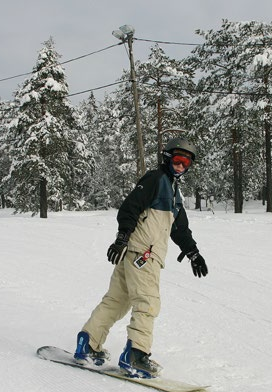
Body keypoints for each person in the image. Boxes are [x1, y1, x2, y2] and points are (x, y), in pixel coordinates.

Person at [74, 137, 208, 378]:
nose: (181, 167)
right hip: (144, 254)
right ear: (167, 159)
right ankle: (136, 355)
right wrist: (122, 237)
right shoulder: (156, 180)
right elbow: (130, 207)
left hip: (135, 254)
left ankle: (88, 343)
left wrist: (193, 253)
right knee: (147, 303)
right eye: (177, 160)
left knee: (117, 301)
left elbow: (180, 229)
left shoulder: (174, 192)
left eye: (186, 163)